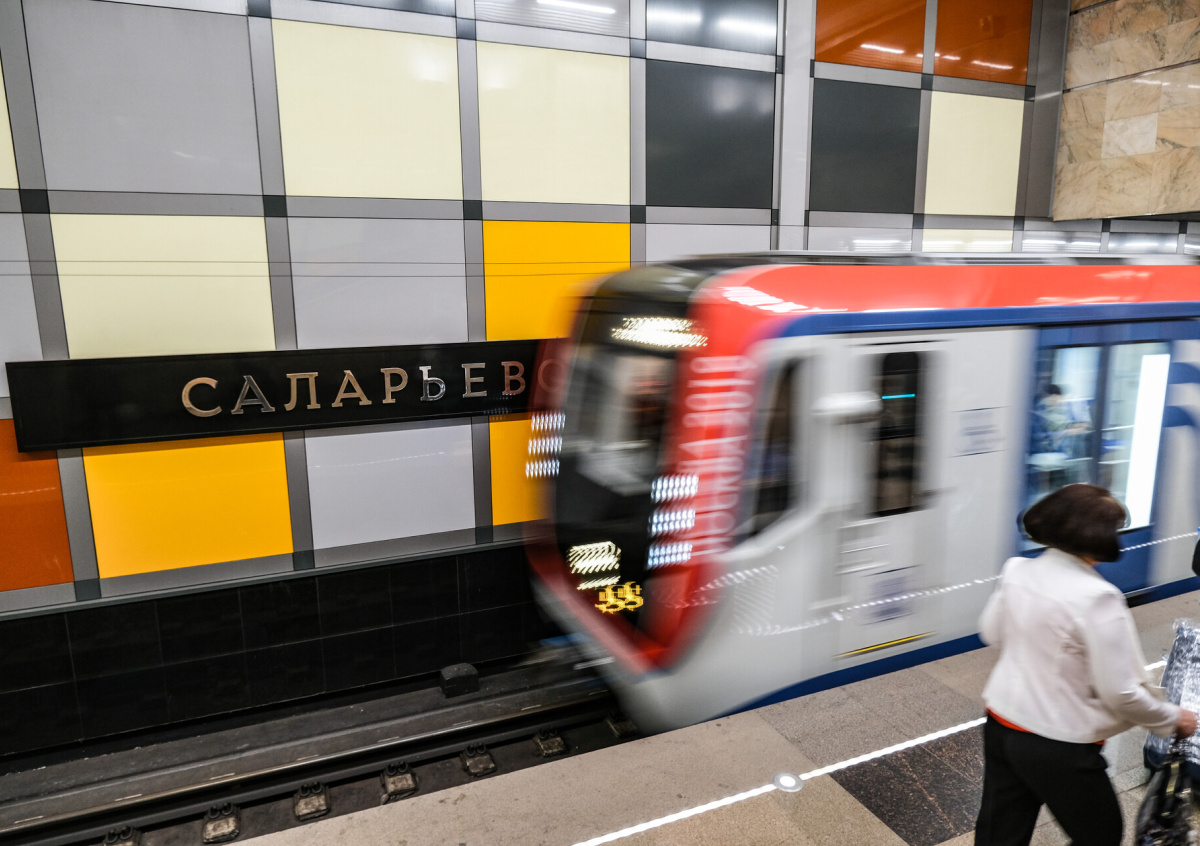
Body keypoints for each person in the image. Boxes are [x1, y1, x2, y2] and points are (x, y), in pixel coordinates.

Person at [974, 484, 1197, 846]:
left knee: (1000, 834)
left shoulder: (1016, 570)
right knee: (1101, 835)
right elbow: (1120, 692)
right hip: (1057, 743)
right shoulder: (1097, 597)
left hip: (1001, 724)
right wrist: (1173, 719)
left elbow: (989, 632)